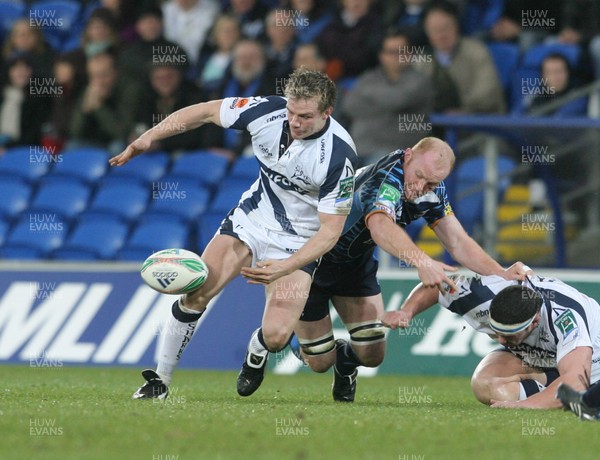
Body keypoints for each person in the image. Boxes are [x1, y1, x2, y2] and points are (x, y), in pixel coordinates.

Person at [109, 68, 358, 400]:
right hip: (252, 220)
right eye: (291, 113)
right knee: (198, 291)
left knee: (278, 336)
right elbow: (205, 112)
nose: (295, 122)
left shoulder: (339, 156)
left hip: (299, 241)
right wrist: (150, 136)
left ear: (327, 112)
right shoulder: (266, 111)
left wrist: (286, 267)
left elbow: (330, 232)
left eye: (306, 117)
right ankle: (160, 381)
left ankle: (257, 350)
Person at [238, 137, 528, 401]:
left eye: (430, 184)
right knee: (318, 362)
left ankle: (346, 362)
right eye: (418, 177)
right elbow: (379, 225)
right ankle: (261, 345)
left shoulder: (431, 189)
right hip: (310, 261)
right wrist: (422, 261)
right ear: (409, 155)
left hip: (353, 266)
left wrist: (500, 273)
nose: (419, 189)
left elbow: (457, 241)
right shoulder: (387, 177)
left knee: (372, 354)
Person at [382, 272, 600, 409]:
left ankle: (556, 392)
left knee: (575, 392)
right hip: (538, 354)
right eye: (497, 331)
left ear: (534, 322)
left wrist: (524, 406)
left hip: (590, 366)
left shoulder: (565, 317)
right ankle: (548, 382)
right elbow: (437, 284)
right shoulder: (487, 295)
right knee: (485, 386)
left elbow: (575, 382)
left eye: (510, 334)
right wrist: (406, 311)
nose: (502, 340)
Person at [341, 31, 434, 166]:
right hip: (358, 149)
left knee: (374, 178)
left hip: (399, 152)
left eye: (400, 51)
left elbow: (397, 100)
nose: (396, 56)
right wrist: (385, 102)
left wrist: (367, 95)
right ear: (382, 55)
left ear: (409, 54)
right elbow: (349, 104)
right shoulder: (369, 77)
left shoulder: (420, 80)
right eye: (391, 52)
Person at [418, 1, 505, 114]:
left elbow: (488, 92)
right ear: (427, 32)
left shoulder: (477, 51)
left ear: (456, 26)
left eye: (446, 28)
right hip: (436, 124)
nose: (442, 34)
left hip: (479, 121)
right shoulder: (421, 61)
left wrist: (462, 109)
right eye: (435, 30)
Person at [69, 50, 141, 155]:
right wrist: (84, 110)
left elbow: (121, 134)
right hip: (95, 141)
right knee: (72, 146)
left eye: (104, 75)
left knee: (117, 147)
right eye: (93, 76)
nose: (99, 81)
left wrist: (99, 107)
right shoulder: (89, 89)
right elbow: (75, 133)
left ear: (116, 73)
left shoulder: (130, 90)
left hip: (121, 142)